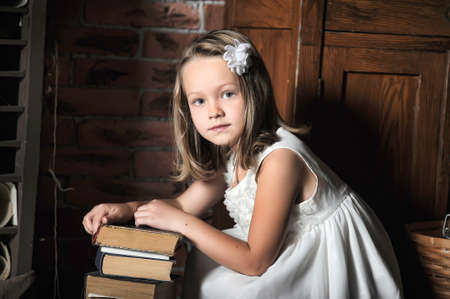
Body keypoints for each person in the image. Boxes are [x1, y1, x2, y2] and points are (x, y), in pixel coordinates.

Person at [82, 30, 403, 299]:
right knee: (206, 270)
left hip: (322, 265)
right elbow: (182, 203)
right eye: (199, 101)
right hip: (273, 253)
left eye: (227, 94)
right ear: (187, 111)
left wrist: (180, 224)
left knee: (219, 282)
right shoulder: (234, 152)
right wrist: (125, 208)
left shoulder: (280, 159)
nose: (214, 112)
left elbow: (255, 262)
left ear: (254, 92)